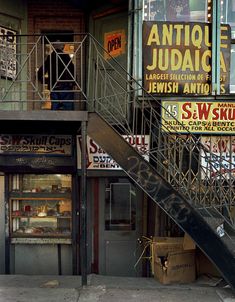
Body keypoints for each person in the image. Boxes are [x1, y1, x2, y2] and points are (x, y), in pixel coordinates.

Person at [38, 40, 75, 110]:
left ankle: (54, 120)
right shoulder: (65, 56)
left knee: (55, 105)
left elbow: (42, 70)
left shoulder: (50, 57)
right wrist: (73, 82)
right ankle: (68, 120)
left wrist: (43, 79)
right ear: (62, 47)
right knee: (67, 106)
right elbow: (72, 69)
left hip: (54, 84)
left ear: (53, 47)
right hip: (65, 84)